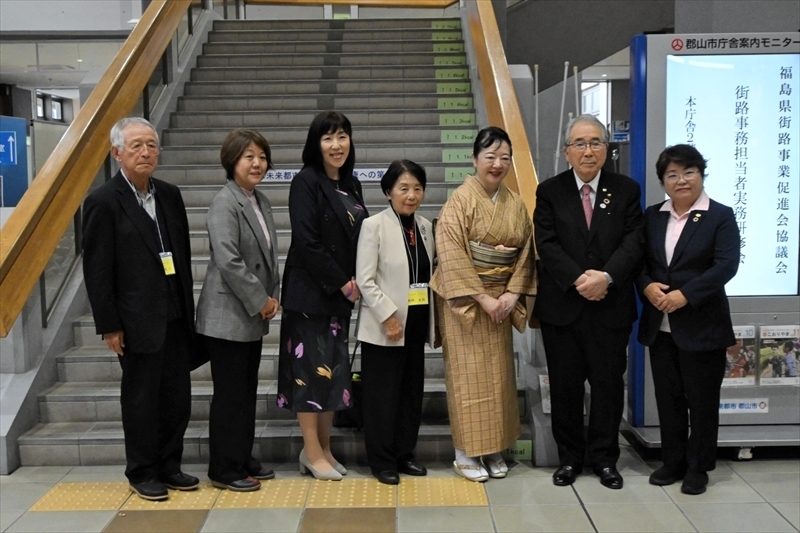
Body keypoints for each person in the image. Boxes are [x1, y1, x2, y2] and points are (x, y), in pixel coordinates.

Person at [82, 117, 198, 501]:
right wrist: (109, 326)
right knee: (141, 401)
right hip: (134, 322)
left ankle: (170, 465)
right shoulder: (102, 201)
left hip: (176, 317)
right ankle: (142, 470)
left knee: (177, 398)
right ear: (117, 153)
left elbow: (180, 256)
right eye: (136, 146)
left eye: (151, 145)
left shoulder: (169, 194)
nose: (146, 152)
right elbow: (97, 270)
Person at [533, 114, 644, 490]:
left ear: (607, 148)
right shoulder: (549, 191)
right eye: (579, 143)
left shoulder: (626, 189)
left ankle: (604, 459)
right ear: (567, 152)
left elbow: (634, 242)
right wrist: (581, 279)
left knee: (608, 387)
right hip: (563, 307)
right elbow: (546, 244)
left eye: (595, 142)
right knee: (564, 387)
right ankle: (569, 460)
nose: (588, 150)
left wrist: (607, 278)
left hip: (610, 308)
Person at [430, 126, 536, 482]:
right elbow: (451, 254)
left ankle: (492, 448)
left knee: (498, 379)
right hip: (466, 303)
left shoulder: (515, 204)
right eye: (490, 156)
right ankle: (464, 452)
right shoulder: (459, 202)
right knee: (467, 378)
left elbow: (525, 255)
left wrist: (510, 295)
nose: (497, 164)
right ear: (474, 159)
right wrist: (482, 297)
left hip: (501, 302)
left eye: (504, 158)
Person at [637, 144, 740, 495]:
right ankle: (673, 461)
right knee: (669, 399)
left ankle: (699, 466)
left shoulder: (719, 215)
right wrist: (648, 286)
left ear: (701, 174)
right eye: (672, 175)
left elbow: (726, 265)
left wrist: (686, 294)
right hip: (660, 324)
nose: (681, 180)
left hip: (702, 324)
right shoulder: (653, 216)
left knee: (702, 400)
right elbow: (641, 263)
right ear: (663, 181)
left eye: (689, 172)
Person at [276, 111, 367, 481]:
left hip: (339, 298)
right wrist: (344, 283)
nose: (336, 145)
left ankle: (324, 449)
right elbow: (308, 243)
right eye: (328, 138)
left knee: (331, 376)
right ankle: (311, 452)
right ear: (316, 144)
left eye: (342, 136)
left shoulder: (352, 184)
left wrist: (362, 278)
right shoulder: (305, 182)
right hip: (311, 296)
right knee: (309, 376)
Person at [195, 129, 281, 492]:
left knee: (245, 391)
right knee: (230, 395)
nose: (257, 163)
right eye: (249, 156)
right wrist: (260, 299)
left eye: (261, 156)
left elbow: (267, 257)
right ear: (232, 161)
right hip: (227, 316)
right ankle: (224, 468)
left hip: (248, 315)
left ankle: (241, 457)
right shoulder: (224, 202)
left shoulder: (259, 200)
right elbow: (229, 261)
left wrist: (270, 296)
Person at [356, 160, 435, 485]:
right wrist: (388, 316)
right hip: (384, 328)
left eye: (417, 188)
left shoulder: (427, 227)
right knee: (382, 398)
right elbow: (365, 279)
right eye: (403, 188)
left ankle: (405, 453)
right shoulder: (373, 226)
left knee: (410, 395)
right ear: (388, 192)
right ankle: (382, 460)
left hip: (416, 324)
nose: (411, 195)